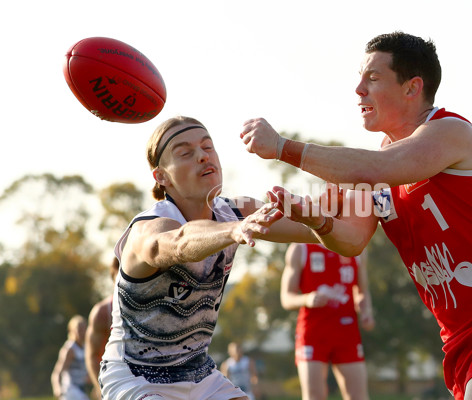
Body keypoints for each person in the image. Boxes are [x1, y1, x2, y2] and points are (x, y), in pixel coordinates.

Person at [240, 31, 472, 400]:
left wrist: (282, 147)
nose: (358, 89)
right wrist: (250, 219)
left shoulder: (448, 132)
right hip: (459, 339)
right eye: (360, 79)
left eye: (373, 78)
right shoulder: (379, 167)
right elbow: (351, 238)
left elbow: (379, 166)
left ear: (413, 88)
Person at [98, 116, 321, 400]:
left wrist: (374, 200)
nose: (203, 157)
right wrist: (234, 230)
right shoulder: (148, 227)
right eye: (185, 153)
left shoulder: (238, 210)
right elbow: (179, 242)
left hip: (200, 375)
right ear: (161, 177)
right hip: (137, 377)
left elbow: (320, 225)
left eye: (207, 147)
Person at [282, 243, 374, 400]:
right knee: (314, 396)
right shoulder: (300, 248)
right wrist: (307, 298)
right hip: (313, 333)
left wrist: (366, 312)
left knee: (358, 396)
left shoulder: (356, 247)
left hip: (347, 332)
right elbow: (286, 298)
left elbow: (362, 291)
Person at [85, 256, 120, 399]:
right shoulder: (102, 312)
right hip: (113, 382)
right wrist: (100, 387)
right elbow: (92, 355)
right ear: (113, 278)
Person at [52, 315, 90, 400]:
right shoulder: (70, 349)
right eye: (79, 329)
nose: (82, 332)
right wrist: (57, 388)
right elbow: (57, 372)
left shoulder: (86, 347)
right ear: (72, 331)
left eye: (84, 329)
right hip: (70, 390)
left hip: (80, 389)